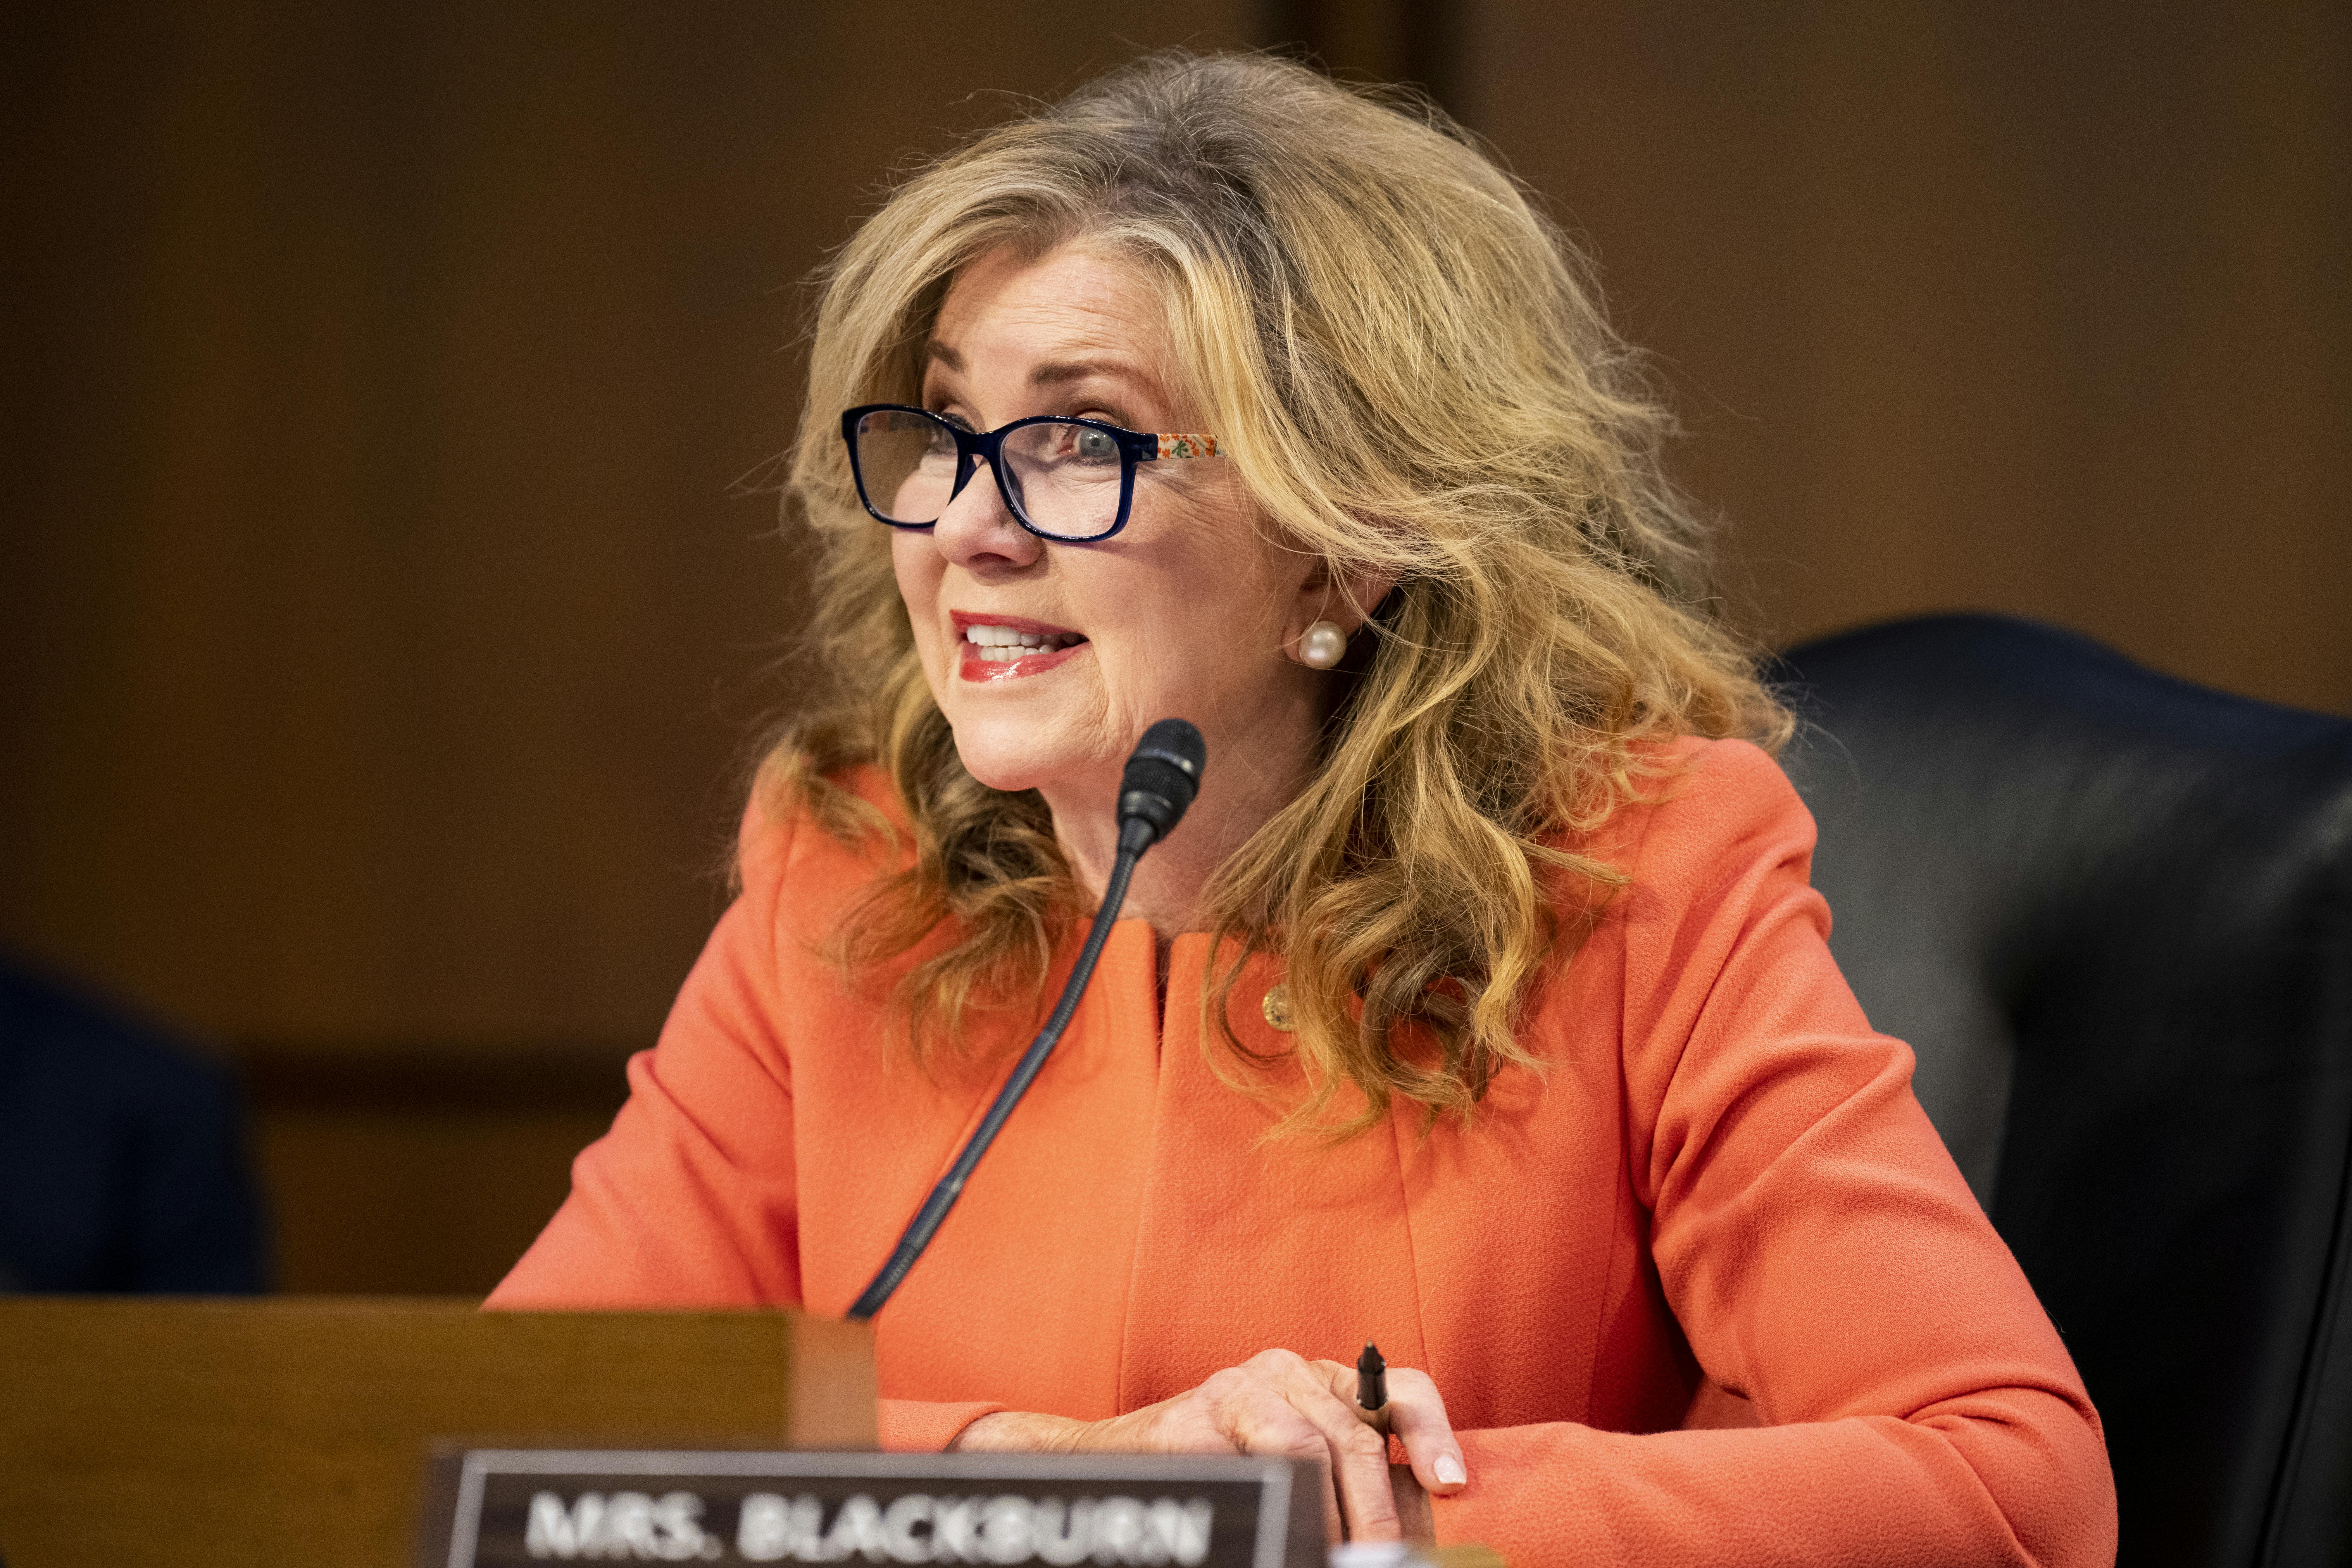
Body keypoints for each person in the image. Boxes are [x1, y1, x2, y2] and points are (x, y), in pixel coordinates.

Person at [490, 50, 2115, 1565]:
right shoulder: (851, 872)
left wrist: (1366, 1515)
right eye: (943, 422)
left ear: (1347, 537)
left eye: (1079, 437)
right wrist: (1050, 1471)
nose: (964, 527)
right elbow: (508, 1438)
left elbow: (2010, 1478)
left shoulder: (1635, 875)